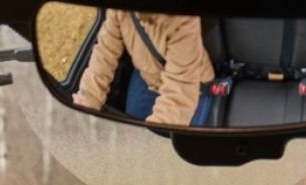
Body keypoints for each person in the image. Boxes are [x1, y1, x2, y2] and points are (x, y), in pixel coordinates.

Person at [72, 9, 216, 126]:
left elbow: (181, 87)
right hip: (149, 79)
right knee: (128, 133)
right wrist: (88, 97)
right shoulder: (118, 10)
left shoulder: (183, 18)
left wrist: (153, 136)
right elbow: (105, 51)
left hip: (193, 89)